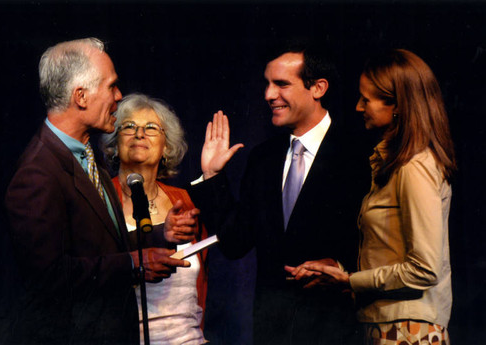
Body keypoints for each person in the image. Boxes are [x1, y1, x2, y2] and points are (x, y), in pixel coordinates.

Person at [4, 38, 195, 345]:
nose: (119, 96)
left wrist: (162, 236)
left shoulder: (88, 159)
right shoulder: (37, 172)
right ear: (81, 96)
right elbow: (48, 277)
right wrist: (133, 262)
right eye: (111, 87)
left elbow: (100, 247)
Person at [188, 43, 368, 344]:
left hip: (337, 328)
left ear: (318, 88)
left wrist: (343, 269)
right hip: (273, 331)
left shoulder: (359, 153)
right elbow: (234, 243)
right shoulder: (263, 158)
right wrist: (212, 175)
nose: (269, 95)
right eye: (267, 84)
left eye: (281, 84)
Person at [286, 49, 456, 344]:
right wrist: (338, 271)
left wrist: (350, 280)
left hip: (408, 331)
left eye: (367, 99)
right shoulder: (393, 164)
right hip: (387, 326)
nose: (357, 107)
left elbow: (424, 269)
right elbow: (393, 254)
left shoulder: (415, 166)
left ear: (397, 105)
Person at [101, 93, 208, 344]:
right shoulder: (100, 200)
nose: (140, 134)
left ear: (166, 147)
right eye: (129, 126)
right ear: (115, 144)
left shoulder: (185, 201)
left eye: (151, 128)